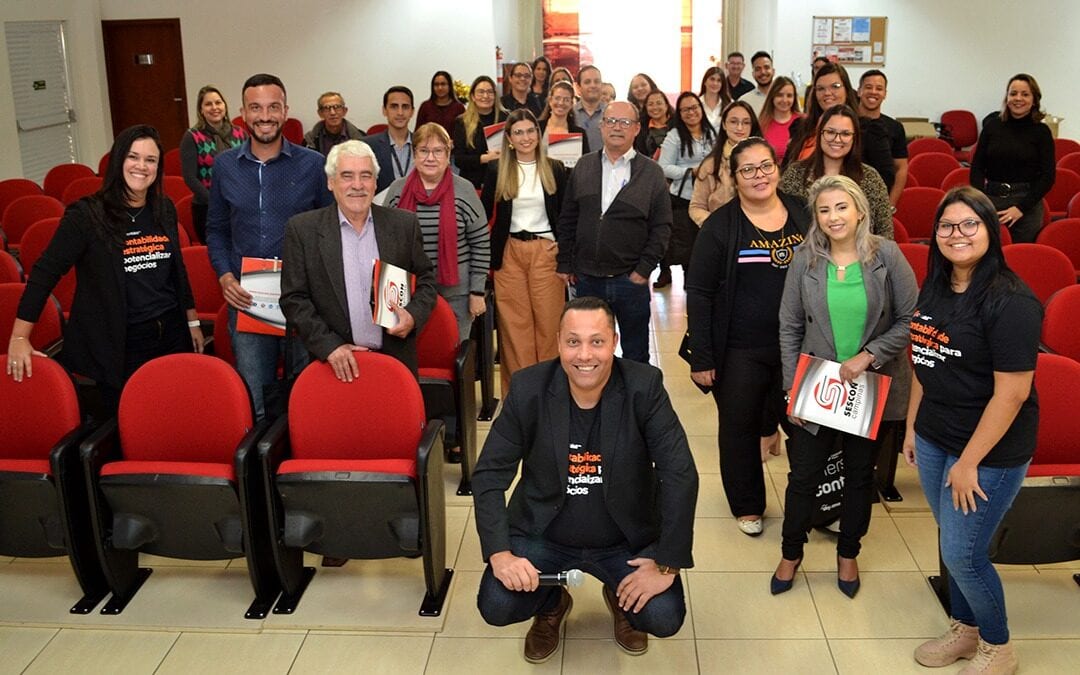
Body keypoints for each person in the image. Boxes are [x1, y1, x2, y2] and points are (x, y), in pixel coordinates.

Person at [472, 296, 698, 663]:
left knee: (663, 616)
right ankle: (551, 602)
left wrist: (666, 563)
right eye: (573, 341)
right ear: (559, 342)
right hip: (545, 535)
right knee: (497, 604)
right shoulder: (529, 388)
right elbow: (489, 474)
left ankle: (621, 597)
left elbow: (679, 473)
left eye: (597, 341)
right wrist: (500, 553)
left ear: (614, 342)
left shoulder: (644, 386)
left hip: (624, 539)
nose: (584, 355)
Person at [903, 186, 1042, 675]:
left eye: (969, 224)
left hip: (988, 451)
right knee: (951, 541)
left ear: (990, 230)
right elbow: (922, 358)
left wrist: (968, 462)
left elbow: (1013, 394)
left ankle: (998, 647)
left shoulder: (1012, 301)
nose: (956, 234)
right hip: (935, 434)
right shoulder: (936, 285)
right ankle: (965, 629)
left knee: (964, 555)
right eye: (946, 225)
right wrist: (913, 427)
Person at [772, 175, 917, 598]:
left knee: (858, 476)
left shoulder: (887, 255)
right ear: (815, 217)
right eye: (824, 210)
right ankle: (790, 552)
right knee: (803, 477)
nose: (833, 217)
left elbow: (910, 319)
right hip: (815, 385)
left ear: (859, 211)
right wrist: (791, 390)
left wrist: (869, 355)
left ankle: (848, 553)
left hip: (870, 386)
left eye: (841, 207)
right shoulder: (804, 259)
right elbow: (789, 326)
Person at [7, 124, 204, 413]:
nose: (141, 166)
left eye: (150, 160)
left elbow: (177, 270)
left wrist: (192, 322)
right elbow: (44, 274)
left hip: (171, 333)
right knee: (131, 419)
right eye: (133, 157)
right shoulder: (87, 214)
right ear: (118, 160)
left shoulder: (164, 208)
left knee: (174, 413)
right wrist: (20, 336)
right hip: (120, 342)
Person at [685, 137, 810, 536]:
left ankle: (814, 502)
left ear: (777, 168)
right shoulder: (720, 226)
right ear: (734, 177)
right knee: (739, 429)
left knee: (807, 428)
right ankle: (748, 505)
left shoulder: (802, 212)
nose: (759, 176)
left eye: (766, 166)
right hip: (741, 347)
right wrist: (703, 357)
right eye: (748, 169)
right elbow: (699, 293)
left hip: (800, 345)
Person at [206, 73, 333, 420]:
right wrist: (225, 276)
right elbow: (216, 230)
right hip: (248, 300)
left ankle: (302, 454)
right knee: (255, 401)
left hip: (303, 299)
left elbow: (328, 231)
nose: (265, 116)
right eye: (256, 108)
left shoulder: (313, 165)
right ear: (243, 114)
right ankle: (262, 456)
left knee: (308, 398)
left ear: (285, 111)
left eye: (273, 107)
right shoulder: (225, 167)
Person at [280, 140, 436, 381]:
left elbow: (427, 281)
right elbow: (294, 299)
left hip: (394, 362)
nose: (357, 185)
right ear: (331, 182)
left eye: (366, 176)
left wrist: (413, 316)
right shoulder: (303, 230)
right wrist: (329, 346)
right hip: (334, 365)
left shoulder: (404, 225)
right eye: (347, 176)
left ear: (375, 182)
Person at [556, 101, 672, 364]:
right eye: (611, 121)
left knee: (635, 354)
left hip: (629, 280)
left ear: (637, 129)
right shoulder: (584, 166)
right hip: (587, 279)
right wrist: (565, 262)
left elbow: (662, 227)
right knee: (589, 352)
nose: (617, 127)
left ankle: (632, 394)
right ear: (602, 126)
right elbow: (568, 218)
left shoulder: (651, 173)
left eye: (625, 122)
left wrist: (644, 269)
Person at [480, 109, 568, 395]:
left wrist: (564, 246)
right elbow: (484, 215)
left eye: (530, 131)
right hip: (509, 253)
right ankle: (520, 397)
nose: (525, 137)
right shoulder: (497, 170)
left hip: (545, 251)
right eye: (518, 132)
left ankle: (550, 394)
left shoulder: (555, 168)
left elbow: (568, 214)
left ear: (538, 135)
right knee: (514, 329)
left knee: (548, 326)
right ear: (508, 138)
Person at [385, 123, 490, 342]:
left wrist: (477, 292)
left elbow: (480, 243)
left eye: (438, 151)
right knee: (412, 355)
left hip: (457, 295)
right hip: (407, 294)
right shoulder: (397, 190)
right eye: (424, 150)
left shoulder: (464, 190)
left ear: (448, 154)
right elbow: (386, 244)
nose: (430, 158)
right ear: (414, 154)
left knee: (454, 353)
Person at [779, 105, 894, 239]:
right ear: (819, 134)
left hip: (862, 251)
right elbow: (781, 222)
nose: (837, 139)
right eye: (830, 132)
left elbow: (885, 232)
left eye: (845, 134)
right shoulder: (796, 174)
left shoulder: (871, 178)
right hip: (806, 250)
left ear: (854, 138)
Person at [970, 73, 1055, 243]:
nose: (1018, 98)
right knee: (987, 253)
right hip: (991, 200)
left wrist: (1021, 208)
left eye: (1025, 94)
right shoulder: (992, 126)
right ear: (1007, 97)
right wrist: (982, 202)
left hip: (1026, 205)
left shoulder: (1042, 132)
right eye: (1013, 93)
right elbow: (977, 167)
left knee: (1020, 255)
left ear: (1034, 100)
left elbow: (1048, 176)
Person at [784, 63, 895, 191]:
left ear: (847, 90)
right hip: (800, 200)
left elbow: (885, 178)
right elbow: (786, 169)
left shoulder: (868, 129)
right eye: (820, 88)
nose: (827, 93)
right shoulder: (801, 126)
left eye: (835, 86)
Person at [655, 92, 716, 289]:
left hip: (710, 198)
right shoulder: (674, 136)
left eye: (695, 107)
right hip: (684, 198)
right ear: (679, 114)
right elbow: (663, 167)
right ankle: (690, 287)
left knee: (707, 246)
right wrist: (690, 171)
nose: (691, 112)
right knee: (688, 248)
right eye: (685, 109)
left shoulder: (712, 132)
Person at [179, 85, 247, 243]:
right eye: (208, 104)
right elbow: (190, 178)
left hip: (238, 206)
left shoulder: (240, 134)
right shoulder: (192, 136)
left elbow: (247, 168)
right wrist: (216, 202)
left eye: (218, 102)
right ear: (201, 110)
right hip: (207, 208)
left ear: (225, 106)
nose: (214, 107)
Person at [689, 101, 760, 226]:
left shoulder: (764, 161)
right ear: (724, 124)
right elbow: (696, 207)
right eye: (733, 121)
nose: (740, 127)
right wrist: (717, 226)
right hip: (721, 230)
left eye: (746, 122)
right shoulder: (710, 165)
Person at [856, 70, 909, 204]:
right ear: (859, 91)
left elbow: (901, 168)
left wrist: (890, 204)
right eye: (868, 87)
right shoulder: (846, 122)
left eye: (879, 89)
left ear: (885, 94)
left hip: (881, 199)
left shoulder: (895, 127)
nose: (873, 92)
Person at [451, 75, 507, 190]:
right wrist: (485, 158)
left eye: (490, 92)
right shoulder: (462, 122)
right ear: (473, 96)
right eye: (481, 92)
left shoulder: (506, 118)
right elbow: (459, 159)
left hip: (501, 182)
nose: (485, 96)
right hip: (472, 184)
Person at [367, 86, 416, 194]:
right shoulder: (368, 146)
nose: (400, 112)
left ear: (412, 112)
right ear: (384, 110)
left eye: (405, 107)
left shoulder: (423, 145)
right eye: (394, 106)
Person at [302, 91, 365, 157]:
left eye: (337, 107)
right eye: (327, 108)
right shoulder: (310, 140)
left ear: (344, 111)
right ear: (320, 113)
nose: (332, 113)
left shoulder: (361, 138)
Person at [537, 80, 590, 154]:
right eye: (557, 98)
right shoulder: (537, 128)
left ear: (571, 104)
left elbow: (585, 160)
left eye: (566, 100)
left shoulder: (579, 133)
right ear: (550, 100)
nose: (561, 103)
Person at [758, 76, 802, 164]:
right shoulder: (761, 124)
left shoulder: (804, 122)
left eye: (789, 96)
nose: (784, 100)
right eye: (780, 95)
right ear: (772, 96)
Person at [416, 70, 466, 136]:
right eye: (436, 84)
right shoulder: (425, 106)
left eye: (443, 84)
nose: (440, 88)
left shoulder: (459, 108)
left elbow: (464, 133)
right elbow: (418, 132)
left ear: (450, 86)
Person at [573, 65, 606, 152]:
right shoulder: (570, 114)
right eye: (587, 82)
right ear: (578, 87)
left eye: (597, 81)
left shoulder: (612, 114)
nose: (593, 85)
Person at [634, 90, 674, 157]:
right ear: (646, 107)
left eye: (659, 103)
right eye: (650, 104)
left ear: (666, 106)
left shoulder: (677, 125)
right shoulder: (641, 129)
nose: (655, 107)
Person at [737, 50, 774, 117]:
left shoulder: (785, 99)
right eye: (758, 69)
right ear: (753, 74)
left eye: (766, 67)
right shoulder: (744, 101)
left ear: (773, 71)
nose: (763, 72)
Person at [699, 66, 732, 130]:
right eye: (712, 79)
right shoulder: (697, 103)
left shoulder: (730, 104)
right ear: (705, 82)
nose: (715, 83)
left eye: (719, 80)